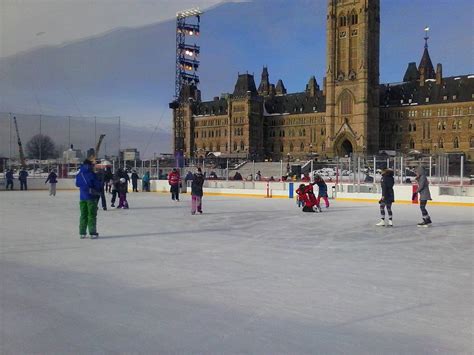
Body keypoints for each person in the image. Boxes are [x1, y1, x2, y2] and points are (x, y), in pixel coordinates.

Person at [75, 159, 101, 239]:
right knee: (91, 215)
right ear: (89, 165)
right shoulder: (91, 174)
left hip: (82, 197)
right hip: (91, 198)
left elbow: (77, 184)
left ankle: (82, 232)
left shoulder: (79, 173)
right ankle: (92, 232)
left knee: (83, 215)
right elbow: (97, 185)